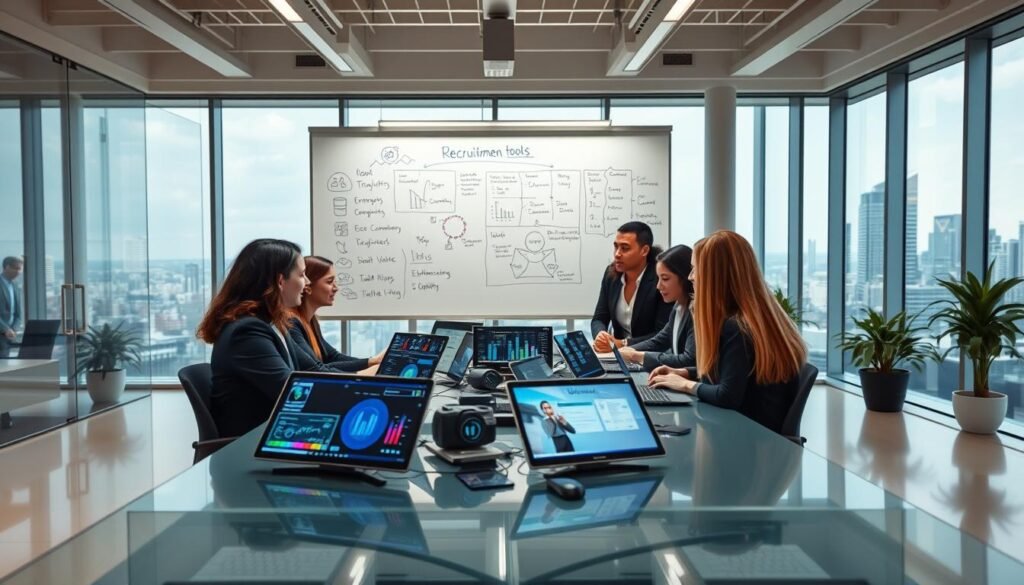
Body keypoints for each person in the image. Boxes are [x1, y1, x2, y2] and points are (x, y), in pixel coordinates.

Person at [648, 231, 807, 434]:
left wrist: (685, 385)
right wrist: (687, 372)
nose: (690, 277)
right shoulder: (754, 320)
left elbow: (728, 396)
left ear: (714, 276)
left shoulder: (736, 327)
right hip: (759, 439)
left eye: (695, 270)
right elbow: (739, 374)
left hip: (746, 438)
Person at [197, 239, 334, 437]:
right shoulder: (246, 332)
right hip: (255, 443)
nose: (308, 282)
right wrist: (356, 394)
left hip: (277, 431)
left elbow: (309, 370)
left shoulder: (272, 323)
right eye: (302, 275)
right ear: (280, 281)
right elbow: (292, 392)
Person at [287, 256, 383, 372]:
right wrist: (361, 375)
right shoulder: (291, 323)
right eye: (329, 282)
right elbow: (316, 368)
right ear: (308, 286)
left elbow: (332, 357)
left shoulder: (310, 321)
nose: (336, 288)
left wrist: (373, 361)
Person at [590, 221, 672, 352]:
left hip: (651, 356)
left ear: (644, 250)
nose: (617, 254)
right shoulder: (611, 275)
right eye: (616, 247)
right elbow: (599, 318)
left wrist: (622, 343)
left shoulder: (660, 280)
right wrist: (601, 335)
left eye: (625, 248)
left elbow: (662, 334)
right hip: (618, 356)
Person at [617, 245, 696, 371]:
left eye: (665, 279)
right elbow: (659, 340)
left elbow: (689, 360)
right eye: (658, 278)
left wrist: (636, 355)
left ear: (685, 277)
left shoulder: (695, 312)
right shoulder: (678, 307)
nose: (658, 286)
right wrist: (622, 352)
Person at [0, 257, 23, 358]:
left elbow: (18, 313)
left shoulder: (15, 285)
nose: (18, 272)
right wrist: (5, 329)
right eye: (16, 268)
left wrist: (14, 328)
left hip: (9, 335)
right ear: (7, 267)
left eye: (20, 269)